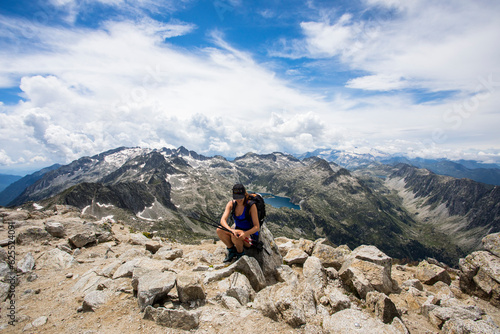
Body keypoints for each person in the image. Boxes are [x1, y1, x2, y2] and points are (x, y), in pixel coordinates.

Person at [217, 184, 260, 263]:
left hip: (250, 236)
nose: (239, 200)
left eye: (240, 197)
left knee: (235, 236)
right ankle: (231, 250)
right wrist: (230, 230)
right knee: (219, 229)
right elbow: (222, 220)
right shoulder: (231, 204)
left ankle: (240, 254)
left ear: (244, 194)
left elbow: (257, 227)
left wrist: (245, 233)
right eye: (236, 198)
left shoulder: (251, 205)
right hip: (237, 232)